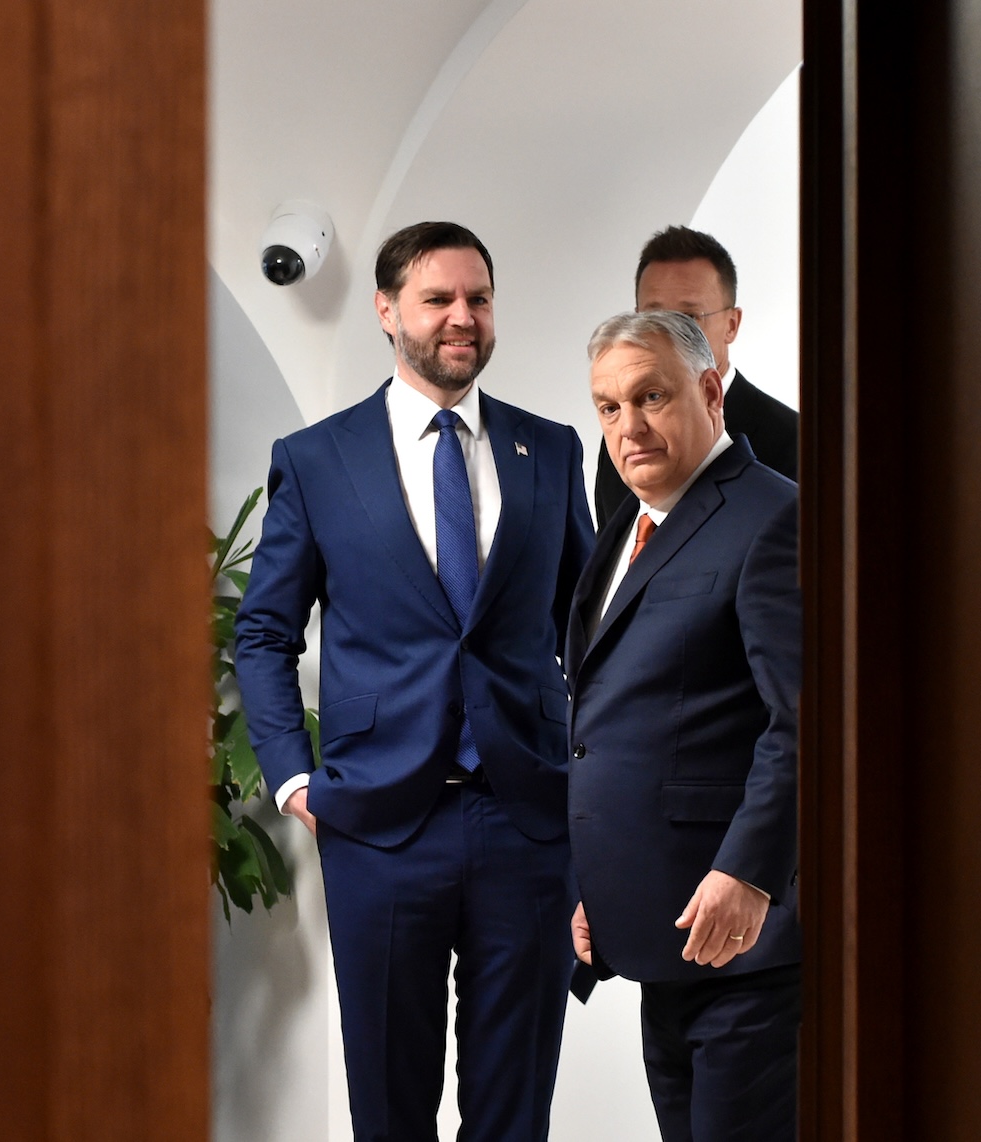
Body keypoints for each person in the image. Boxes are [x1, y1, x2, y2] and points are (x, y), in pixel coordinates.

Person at [234, 221, 594, 1142]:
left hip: (527, 820)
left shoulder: (549, 451)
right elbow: (266, 631)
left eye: (478, 298)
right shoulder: (317, 460)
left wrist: (593, 782)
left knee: (514, 1111)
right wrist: (293, 774)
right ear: (388, 311)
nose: (461, 318)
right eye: (438, 299)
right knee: (389, 1109)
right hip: (381, 825)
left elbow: (591, 632)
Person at [566, 310, 801, 1142]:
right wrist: (590, 887)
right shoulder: (627, 529)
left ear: (709, 390)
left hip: (747, 950)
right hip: (661, 942)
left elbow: (801, 724)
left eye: (650, 397)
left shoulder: (773, 518)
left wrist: (749, 873)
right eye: (608, 407)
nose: (628, 428)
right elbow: (607, 723)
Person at [592, 225, 798, 528]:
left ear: (732, 324)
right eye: (653, 318)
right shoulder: (624, 437)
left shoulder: (796, 443)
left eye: (688, 318)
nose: (669, 334)